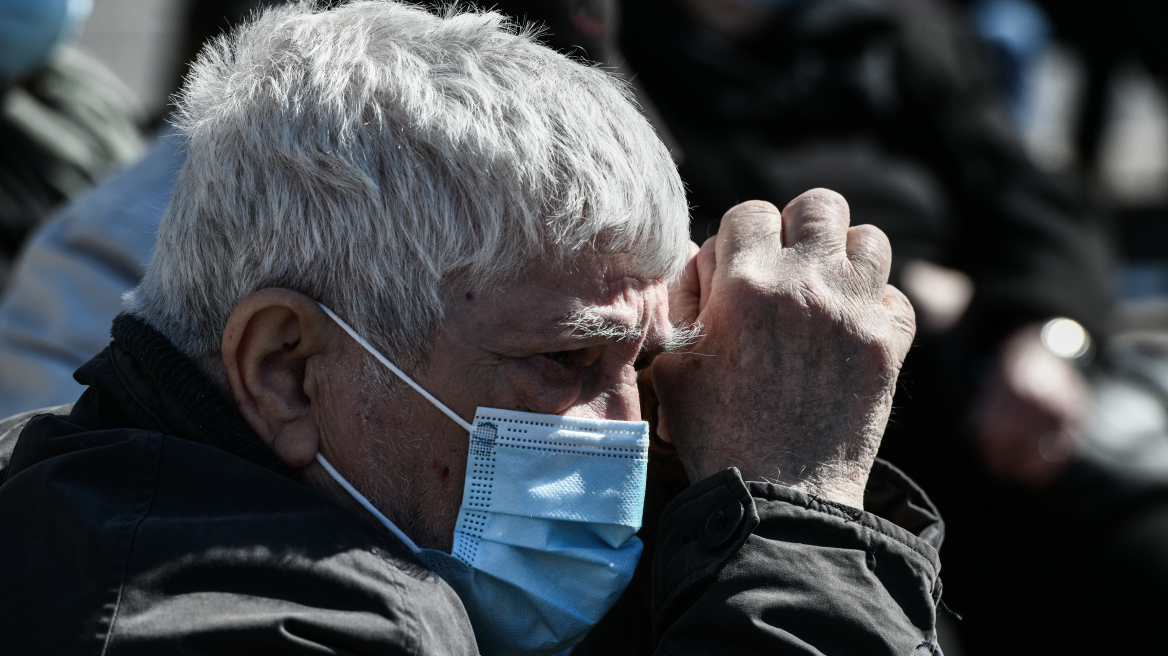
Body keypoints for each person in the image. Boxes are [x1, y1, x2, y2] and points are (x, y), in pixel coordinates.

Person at [0, 2, 943, 654]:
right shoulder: (238, 622)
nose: (625, 434)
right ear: (284, 367)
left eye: (646, 369)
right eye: (567, 360)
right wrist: (797, 510)